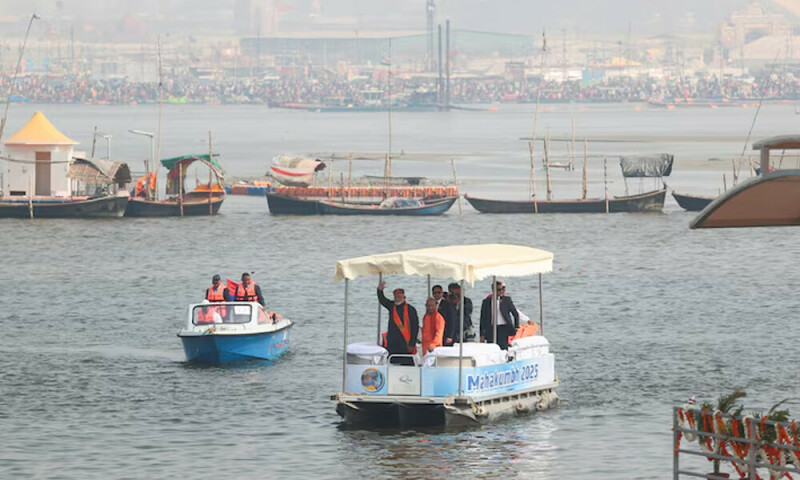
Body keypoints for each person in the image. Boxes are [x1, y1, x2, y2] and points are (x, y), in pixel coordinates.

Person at [377, 280, 419, 365]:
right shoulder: (392, 306)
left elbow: (415, 327)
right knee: (392, 364)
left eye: (400, 295)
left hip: (406, 343)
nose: (398, 297)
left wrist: (412, 343)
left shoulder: (411, 309)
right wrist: (379, 290)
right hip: (393, 342)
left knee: (407, 364)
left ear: (404, 296)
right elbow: (382, 300)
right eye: (396, 295)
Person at [480, 281, 519, 350]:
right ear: (493, 290)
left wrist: (516, 327)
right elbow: (483, 318)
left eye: (503, 289)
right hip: (491, 328)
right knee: (491, 348)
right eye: (499, 290)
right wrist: (482, 334)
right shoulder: (486, 302)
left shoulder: (507, 300)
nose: (501, 291)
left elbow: (515, 314)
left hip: (503, 328)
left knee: (503, 347)